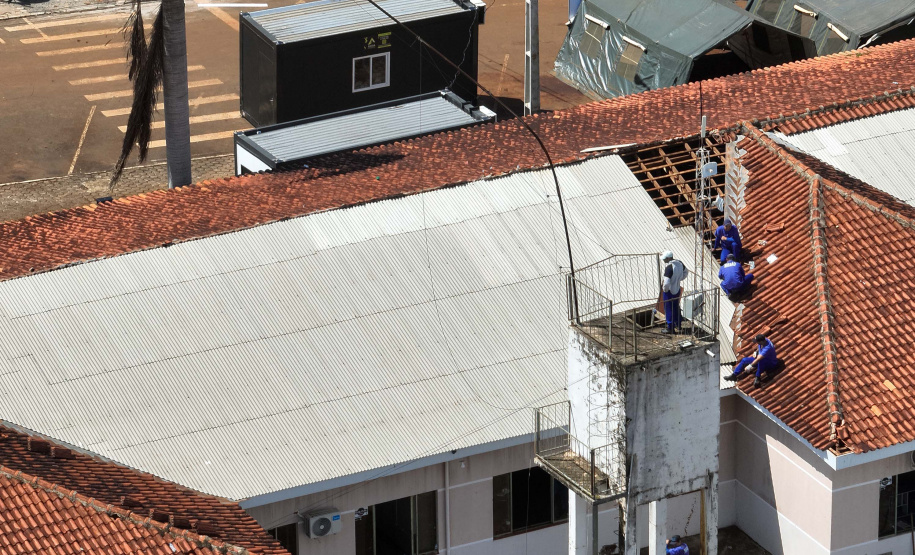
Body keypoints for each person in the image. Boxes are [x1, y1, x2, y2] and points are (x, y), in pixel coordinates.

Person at [661, 251, 688, 333]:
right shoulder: (680, 263)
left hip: (669, 291)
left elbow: (666, 282)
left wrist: (665, 290)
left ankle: (670, 328)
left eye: (665, 259)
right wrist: (679, 279)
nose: (664, 260)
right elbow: (686, 272)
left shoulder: (669, 267)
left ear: (668, 258)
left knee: (668, 309)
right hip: (677, 289)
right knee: (676, 307)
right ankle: (678, 324)